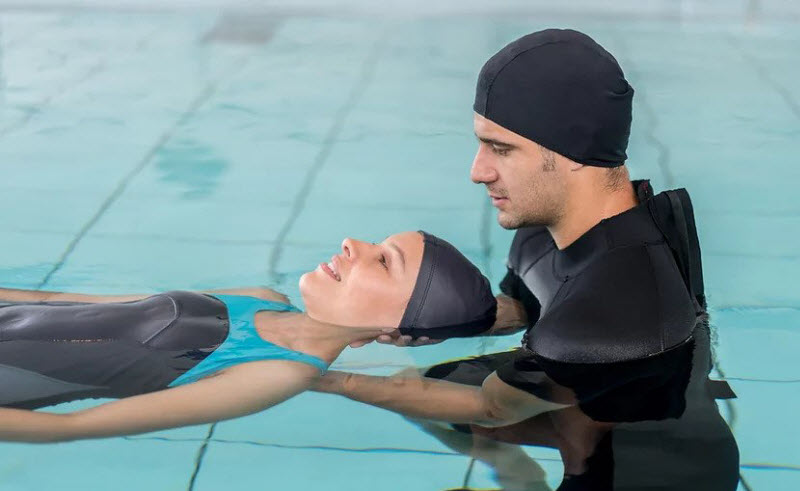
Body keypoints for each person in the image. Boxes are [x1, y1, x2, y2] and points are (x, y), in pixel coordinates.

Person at [311, 28, 738, 490]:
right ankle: (515, 472)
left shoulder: (613, 304)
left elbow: (492, 408)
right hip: (591, 405)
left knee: (431, 395)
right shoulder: (544, 231)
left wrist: (317, 379)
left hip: (648, 473)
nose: (478, 172)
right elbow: (528, 307)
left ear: (574, 151)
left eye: (501, 148)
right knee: (436, 382)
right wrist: (431, 320)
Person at [0, 231, 502, 443]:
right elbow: (70, 306)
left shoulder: (278, 374)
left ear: (394, 326)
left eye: (383, 260)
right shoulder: (258, 296)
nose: (353, 242)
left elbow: (74, 427)